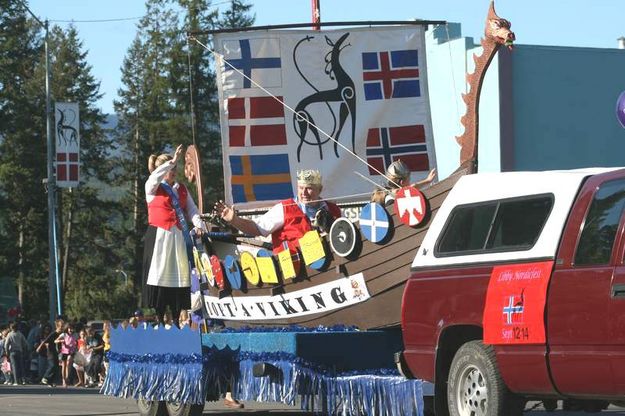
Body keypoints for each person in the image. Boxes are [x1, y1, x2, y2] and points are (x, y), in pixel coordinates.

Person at [143, 144, 206, 321]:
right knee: (159, 276)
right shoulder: (152, 188)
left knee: (180, 276)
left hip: (178, 236)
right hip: (159, 237)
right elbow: (154, 177)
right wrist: (171, 161)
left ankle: (178, 316)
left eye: (175, 168)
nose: (174, 171)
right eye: (171, 168)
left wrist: (199, 225)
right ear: (162, 170)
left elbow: (192, 210)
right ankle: (160, 316)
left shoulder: (181, 189)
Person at [215, 169, 341, 257]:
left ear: (319, 189)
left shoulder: (333, 209)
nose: (304, 193)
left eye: (309, 188)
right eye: (301, 188)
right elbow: (257, 228)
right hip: (295, 273)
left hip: (330, 264)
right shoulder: (284, 208)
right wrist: (234, 220)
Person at [370, 160, 437, 205]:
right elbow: (412, 188)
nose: (410, 182)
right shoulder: (391, 200)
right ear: (402, 182)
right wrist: (427, 180)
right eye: (408, 179)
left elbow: (412, 187)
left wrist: (428, 180)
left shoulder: (392, 195)